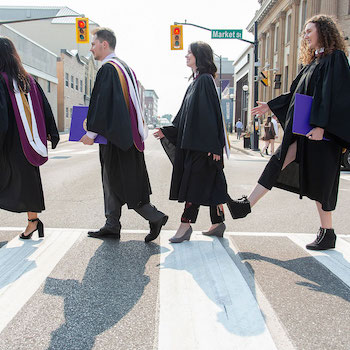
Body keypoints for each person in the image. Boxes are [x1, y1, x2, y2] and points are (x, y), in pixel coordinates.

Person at [227, 15, 350, 250]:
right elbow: (295, 94)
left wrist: (322, 127)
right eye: (304, 31)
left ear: (323, 31)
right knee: (277, 161)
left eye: (309, 31)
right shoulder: (313, 63)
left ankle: (328, 232)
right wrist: (270, 106)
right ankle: (246, 205)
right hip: (304, 133)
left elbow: (338, 97)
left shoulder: (336, 59)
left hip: (323, 135)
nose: (305, 35)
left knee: (322, 184)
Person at [80, 27, 167, 242]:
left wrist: (90, 133)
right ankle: (112, 224)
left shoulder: (109, 69)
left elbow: (102, 103)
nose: (91, 48)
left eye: (93, 44)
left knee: (121, 183)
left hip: (117, 140)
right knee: (115, 181)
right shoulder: (125, 68)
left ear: (104, 44)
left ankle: (154, 216)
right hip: (126, 137)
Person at [154, 41, 230, 243]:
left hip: (202, 146)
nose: (186, 56)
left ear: (199, 56)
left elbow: (209, 116)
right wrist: (168, 131)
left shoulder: (204, 81)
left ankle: (185, 226)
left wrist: (215, 146)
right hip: (198, 144)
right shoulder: (197, 82)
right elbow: (185, 116)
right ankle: (218, 222)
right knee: (210, 183)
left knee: (194, 185)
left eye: (189, 53)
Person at [0, 37, 59, 239]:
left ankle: (34, 222)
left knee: (20, 183)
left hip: (10, 144)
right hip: (28, 143)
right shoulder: (28, 80)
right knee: (29, 183)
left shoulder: (2, 80)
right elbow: (45, 106)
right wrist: (51, 132)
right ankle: (33, 222)